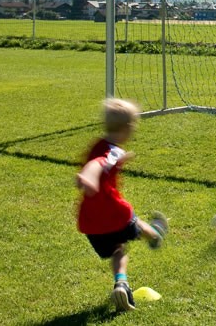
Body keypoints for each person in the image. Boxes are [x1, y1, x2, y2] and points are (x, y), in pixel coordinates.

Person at [75, 98, 168, 312]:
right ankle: (154, 234)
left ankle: (121, 283)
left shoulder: (97, 145)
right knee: (131, 219)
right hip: (114, 214)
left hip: (91, 223)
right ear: (126, 129)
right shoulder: (112, 151)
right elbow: (96, 164)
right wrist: (88, 176)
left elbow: (95, 160)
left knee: (117, 249)